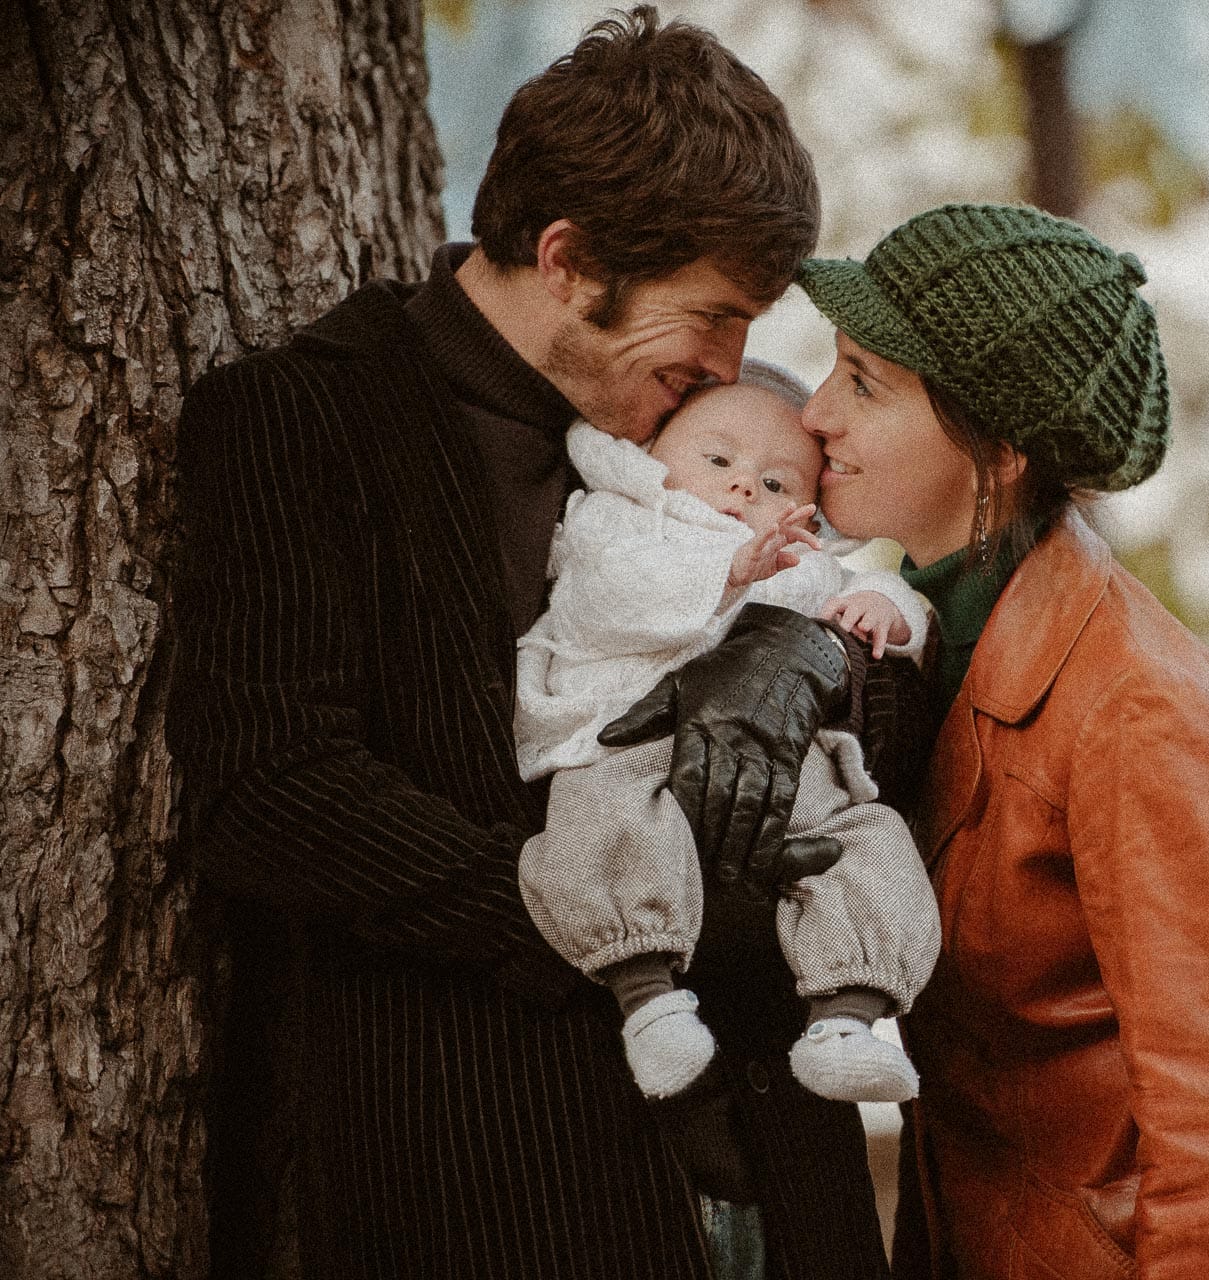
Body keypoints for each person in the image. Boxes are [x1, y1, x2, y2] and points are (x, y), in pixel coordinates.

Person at [166, 11, 909, 1278]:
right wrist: (592, 918)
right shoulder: (303, 418)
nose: (734, 368)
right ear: (566, 258)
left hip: (780, 1163)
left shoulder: (727, 428)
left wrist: (800, 660)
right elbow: (270, 787)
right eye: (710, 317)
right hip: (493, 1172)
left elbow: (892, 651)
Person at [794, 202, 1209, 1279]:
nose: (816, 413)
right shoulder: (912, 636)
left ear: (1000, 450)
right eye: (831, 368)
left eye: (865, 383)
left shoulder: (1131, 708)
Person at [515, 361, 938, 1106]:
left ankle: (846, 1017)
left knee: (868, 835)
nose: (746, 487)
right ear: (649, 457)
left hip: (783, 770)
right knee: (597, 817)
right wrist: (732, 573)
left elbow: (881, 605)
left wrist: (881, 604)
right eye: (718, 460)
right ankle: (645, 997)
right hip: (625, 738)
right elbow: (608, 597)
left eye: (777, 484)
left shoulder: (803, 560)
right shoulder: (617, 516)